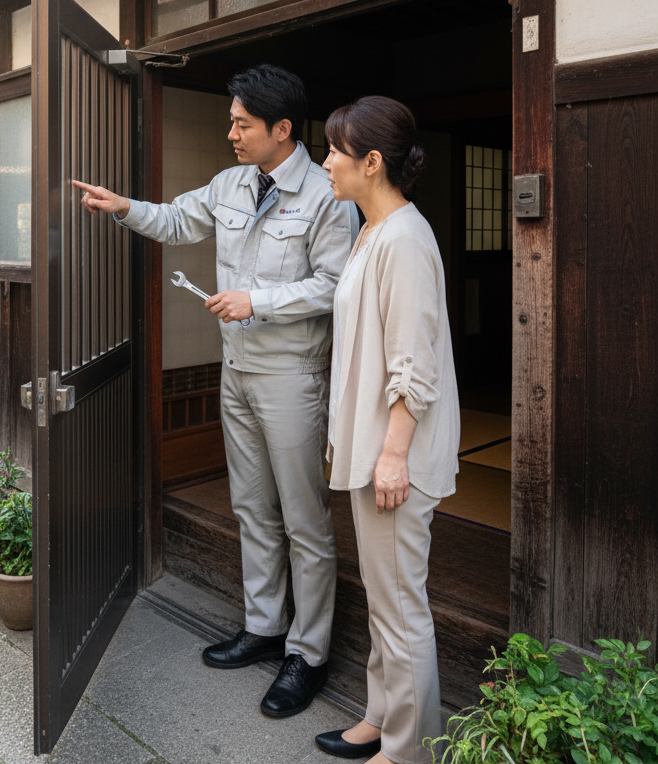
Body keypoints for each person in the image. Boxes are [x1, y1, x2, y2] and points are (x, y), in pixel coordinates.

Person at [73, 64, 358, 719]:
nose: (230, 132)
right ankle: (264, 628)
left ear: (282, 129)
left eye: (242, 124)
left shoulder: (326, 194)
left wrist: (257, 299)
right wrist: (123, 208)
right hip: (236, 373)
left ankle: (308, 654)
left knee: (304, 520)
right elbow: (176, 219)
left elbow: (334, 285)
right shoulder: (231, 183)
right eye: (231, 120)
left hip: (292, 378)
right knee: (252, 507)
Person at [314, 95, 460, 764]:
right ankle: (381, 715)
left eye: (335, 152)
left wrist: (393, 455)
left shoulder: (404, 238)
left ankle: (409, 751)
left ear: (371, 163)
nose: (326, 163)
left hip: (393, 457)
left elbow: (415, 364)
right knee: (383, 597)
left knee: (401, 607)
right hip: (370, 448)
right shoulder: (371, 229)